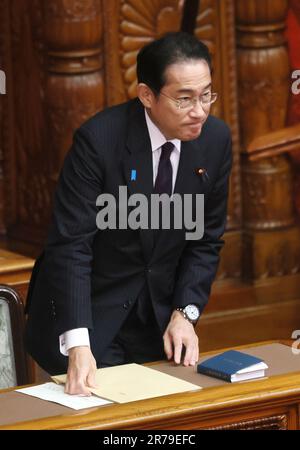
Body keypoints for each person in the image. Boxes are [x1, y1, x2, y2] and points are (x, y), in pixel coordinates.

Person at [24, 32, 232, 396]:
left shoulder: (214, 140)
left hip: (159, 321)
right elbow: (71, 246)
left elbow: (206, 240)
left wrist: (186, 312)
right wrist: (77, 344)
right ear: (147, 95)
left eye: (206, 95)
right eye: (184, 99)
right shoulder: (98, 141)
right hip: (91, 312)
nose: (199, 110)